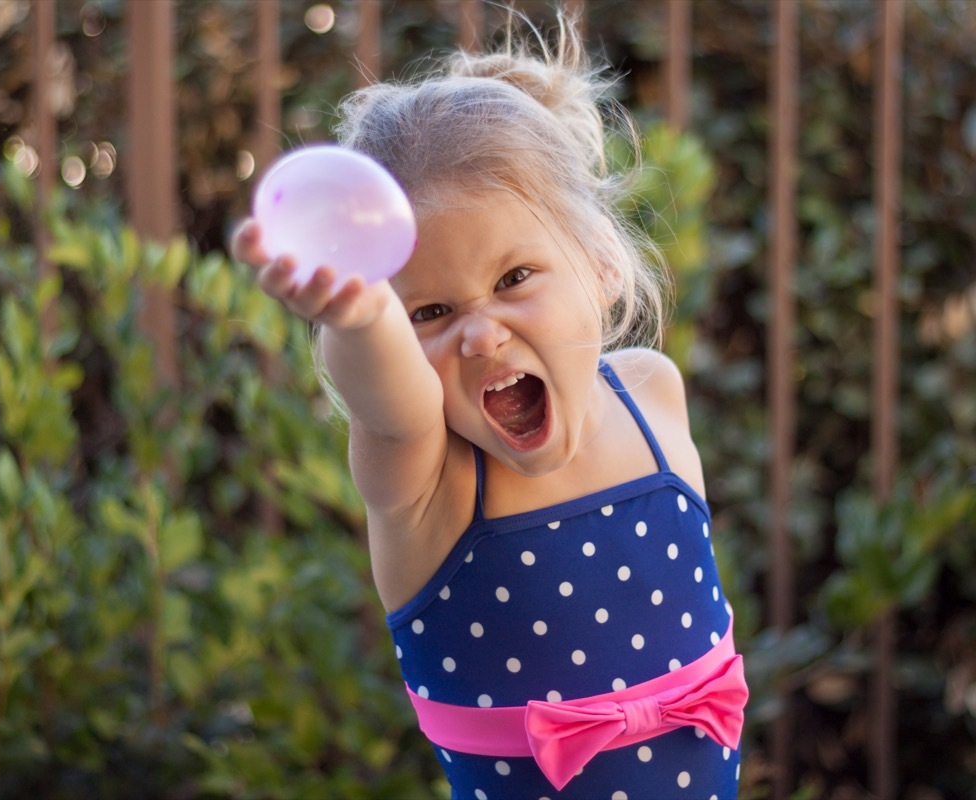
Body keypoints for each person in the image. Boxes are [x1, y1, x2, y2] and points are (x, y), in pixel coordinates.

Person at [233, 10, 747, 800]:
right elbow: (389, 402)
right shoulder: (425, 485)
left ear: (603, 262)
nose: (479, 334)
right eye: (428, 314)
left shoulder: (652, 398)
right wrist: (360, 316)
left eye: (515, 280)